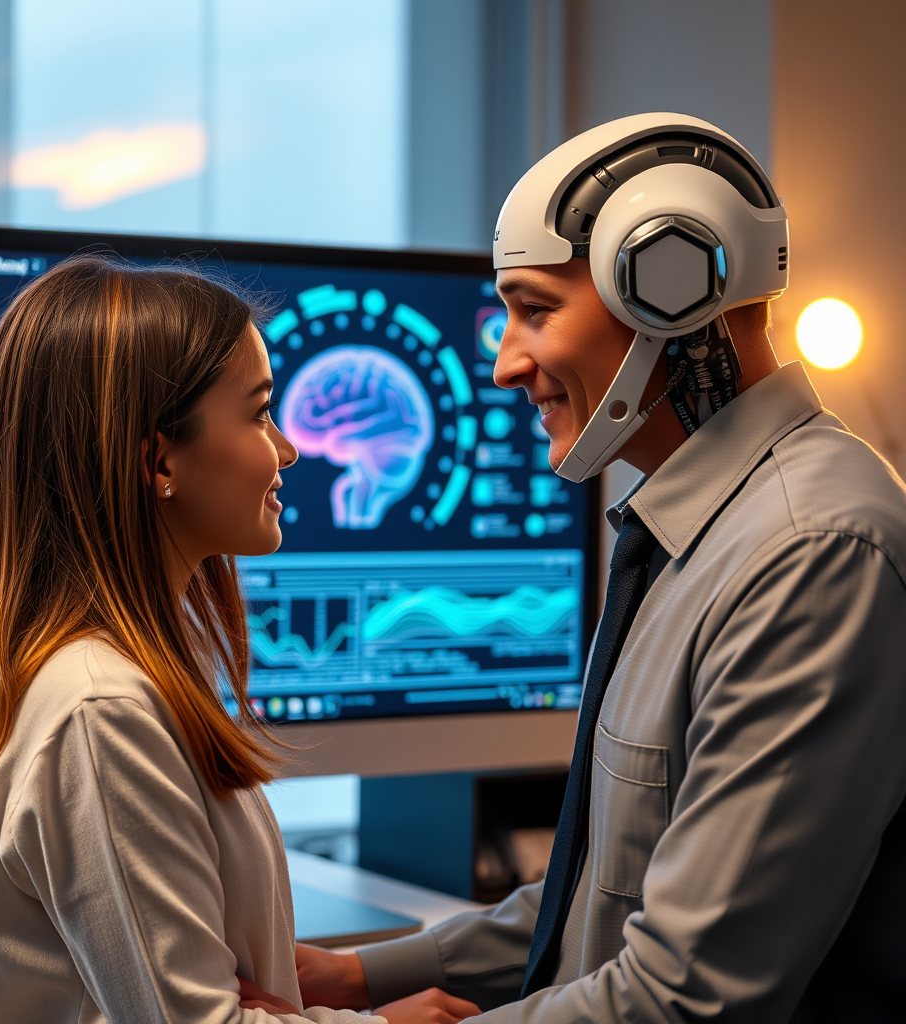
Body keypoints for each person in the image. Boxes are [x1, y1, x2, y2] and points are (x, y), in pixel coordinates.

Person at [293, 114, 906, 1022]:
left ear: (673, 291)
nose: (505, 364)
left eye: (535, 310)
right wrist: (358, 978)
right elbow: (608, 886)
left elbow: (683, 996)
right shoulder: (693, 527)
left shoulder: (808, 553)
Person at [0, 257, 482, 1024]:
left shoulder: (114, 679)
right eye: (257, 414)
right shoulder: (100, 711)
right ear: (161, 459)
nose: (289, 449)